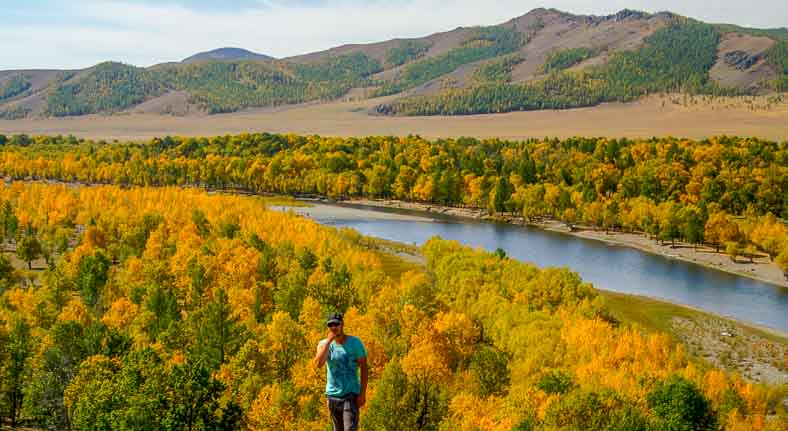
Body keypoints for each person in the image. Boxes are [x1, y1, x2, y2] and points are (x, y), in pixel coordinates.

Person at [313, 312, 368, 431]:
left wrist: (362, 393)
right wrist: (328, 342)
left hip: (350, 395)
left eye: (336, 324)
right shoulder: (323, 344)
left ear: (342, 324)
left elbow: (364, 368)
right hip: (332, 396)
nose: (333, 327)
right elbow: (318, 364)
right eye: (330, 325)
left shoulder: (355, 343)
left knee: (349, 428)